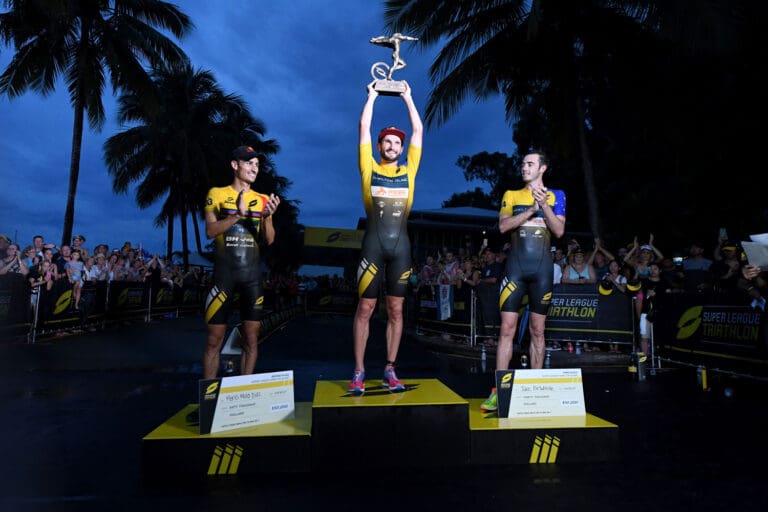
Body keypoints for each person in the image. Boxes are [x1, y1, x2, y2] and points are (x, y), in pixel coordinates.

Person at [349, 78, 423, 394]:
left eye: (397, 143)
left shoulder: (408, 170)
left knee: (395, 310)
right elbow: (363, 127)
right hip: (373, 246)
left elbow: (418, 131)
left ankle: (390, 370)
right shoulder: (368, 167)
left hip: (401, 248)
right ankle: (359, 372)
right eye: (388, 142)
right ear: (380, 147)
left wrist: (407, 97)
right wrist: (373, 95)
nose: (393, 146)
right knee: (365, 309)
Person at [481, 150, 566, 412]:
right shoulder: (511, 195)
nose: (524, 167)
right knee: (507, 329)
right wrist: (532, 209)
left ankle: (535, 389)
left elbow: (559, 231)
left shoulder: (557, 195)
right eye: (522, 163)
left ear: (542, 168)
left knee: (538, 331)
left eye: (530, 163)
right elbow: (504, 227)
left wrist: (545, 206)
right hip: (515, 269)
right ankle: (499, 391)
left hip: (542, 270)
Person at [201, 145, 280, 381]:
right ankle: (209, 397)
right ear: (235, 165)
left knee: (251, 338)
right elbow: (210, 231)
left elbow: (270, 239)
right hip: (224, 275)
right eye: (249, 163)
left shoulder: (263, 199)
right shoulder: (216, 193)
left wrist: (266, 217)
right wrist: (237, 214)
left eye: (257, 164)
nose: (254, 168)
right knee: (214, 340)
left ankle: (244, 391)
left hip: (251, 277)